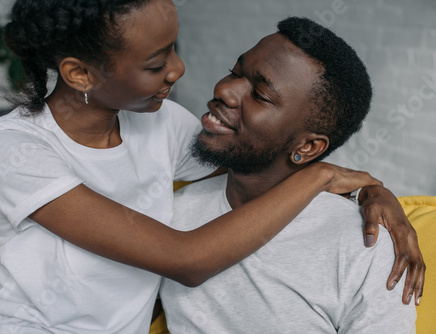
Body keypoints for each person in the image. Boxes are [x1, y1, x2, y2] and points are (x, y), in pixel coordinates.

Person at [0, 1, 423, 333]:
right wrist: (323, 175)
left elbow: (250, 161)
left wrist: (369, 192)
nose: (180, 71)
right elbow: (186, 259)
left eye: (174, 49)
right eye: (157, 63)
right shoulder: (16, 145)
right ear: (80, 74)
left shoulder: (163, 126)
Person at [159, 17, 419, 333]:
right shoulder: (168, 211)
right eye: (234, 72)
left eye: (260, 95)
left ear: (307, 147)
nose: (224, 90)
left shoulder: (363, 245)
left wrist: (369, 191)